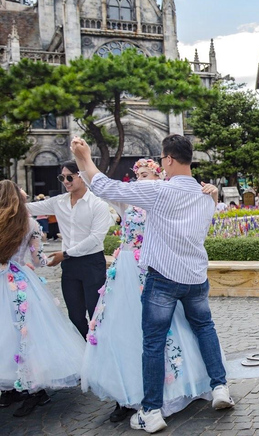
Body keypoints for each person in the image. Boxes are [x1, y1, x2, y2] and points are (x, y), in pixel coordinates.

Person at [70, 135, 234, 434]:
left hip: (164, 278)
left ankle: (152, 410)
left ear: (169, 159)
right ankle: (220, 388)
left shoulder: (159, 190)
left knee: (154, 342)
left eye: (161, 159)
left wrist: (85, 157)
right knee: (204, 328)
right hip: (196, 277)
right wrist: (212, 195)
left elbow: (106, 186)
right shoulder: (205, 195)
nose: (161, 164)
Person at [0, 181, 85, 417]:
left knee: (5, 334)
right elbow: (38, 261)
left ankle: (10, 389)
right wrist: (55, 258)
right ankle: (33, 390)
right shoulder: (29, 224)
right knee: (27, 333)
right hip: (19, 280)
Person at [25, 161, 113, 337]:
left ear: (82, 176)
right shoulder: (59, 202)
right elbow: (29, 208)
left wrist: (65, 254)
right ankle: (87, 348)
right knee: (74, 314)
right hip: (69, 265)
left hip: (92, 263)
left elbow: (95, 238)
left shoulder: (98, 205)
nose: (65, 181)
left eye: (69, 177)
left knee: (96, 312)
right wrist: (10, 198)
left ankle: (100, 350)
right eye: (62, 177)